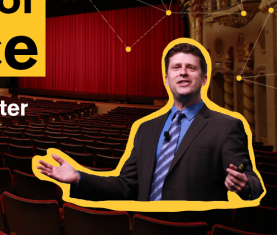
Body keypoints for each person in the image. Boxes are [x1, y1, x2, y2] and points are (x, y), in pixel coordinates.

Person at [37, 43, 263, 201]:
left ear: (204, 79)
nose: (183, 73)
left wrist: (244, 185)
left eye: (191, 68)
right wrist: (78, 178)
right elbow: (126, 186)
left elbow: (254, 183)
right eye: (176, 67)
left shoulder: (227, 126)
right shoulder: (145, 129)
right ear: (166, 78)